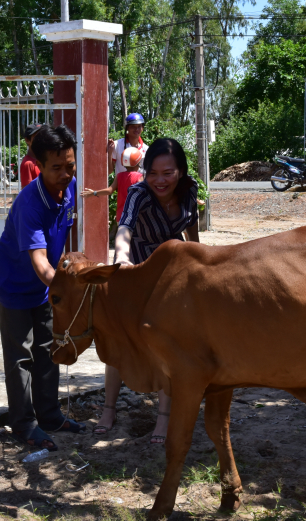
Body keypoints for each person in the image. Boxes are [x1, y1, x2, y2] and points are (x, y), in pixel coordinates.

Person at [0, 124, 86, 450]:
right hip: (15, 284)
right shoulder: (30, 204)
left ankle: (50, 416)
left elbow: (63, 239)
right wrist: (68, 285)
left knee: (50, 350)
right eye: (56, 167)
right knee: (21, 357)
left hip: (46, 287)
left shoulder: (68, 189)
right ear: (39, 166)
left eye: (69, 165)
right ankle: (25, 425)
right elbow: (41, 262)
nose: (65, 173)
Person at [97, 138, 200, 442]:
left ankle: (164, 418)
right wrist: (121, 259)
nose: (159, 180)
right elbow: (124, 228)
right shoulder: (139, 193)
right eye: (152, 173)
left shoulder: (190, 189)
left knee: (170, 344)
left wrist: (201, 263)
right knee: (120, 341)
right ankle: (108, 409)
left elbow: (192, 231)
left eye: (167, 173)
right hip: (137, 270)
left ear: (180, 171)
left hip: (175, 274)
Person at [81, 146, 144, 224]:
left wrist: (93, 193)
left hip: (121, 216)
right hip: (136, 217)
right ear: (138, 162)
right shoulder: (140, 177)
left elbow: (109, 190)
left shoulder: (119, 176)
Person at [19, 124, 44, 188]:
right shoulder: (28, 164)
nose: (41, 139)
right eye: (37, 137)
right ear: (27, 140)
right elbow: (27, 193)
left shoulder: (43, 160)